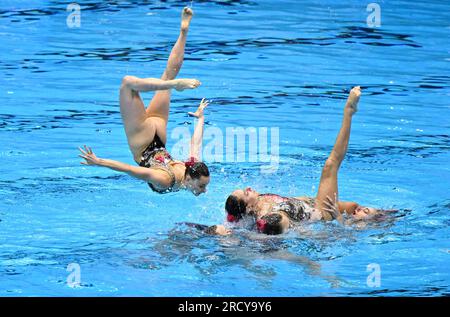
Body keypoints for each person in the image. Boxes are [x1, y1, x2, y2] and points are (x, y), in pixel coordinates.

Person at [78, 7, 210, 196]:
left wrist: (200, 118)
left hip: (160, 136)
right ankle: (173, 83)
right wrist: (99, 162)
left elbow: (195, 143)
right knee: (127, 84)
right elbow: (131, 170)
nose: (204, 190)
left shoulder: (192, 167)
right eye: (202, 186)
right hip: (143, 141)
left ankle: (183, 32)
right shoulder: (165, 180)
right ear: (189, 179)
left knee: (168, 75)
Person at [225, 87, 390, 235]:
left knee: (357, 209)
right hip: (320, 211)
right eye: (246, 193)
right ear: (248, 207)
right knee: (330, 166)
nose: (248, 188)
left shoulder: (257, 201)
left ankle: (386, 220)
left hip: (311, 201)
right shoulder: (269, 217)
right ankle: (349, 112)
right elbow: (294, 230)